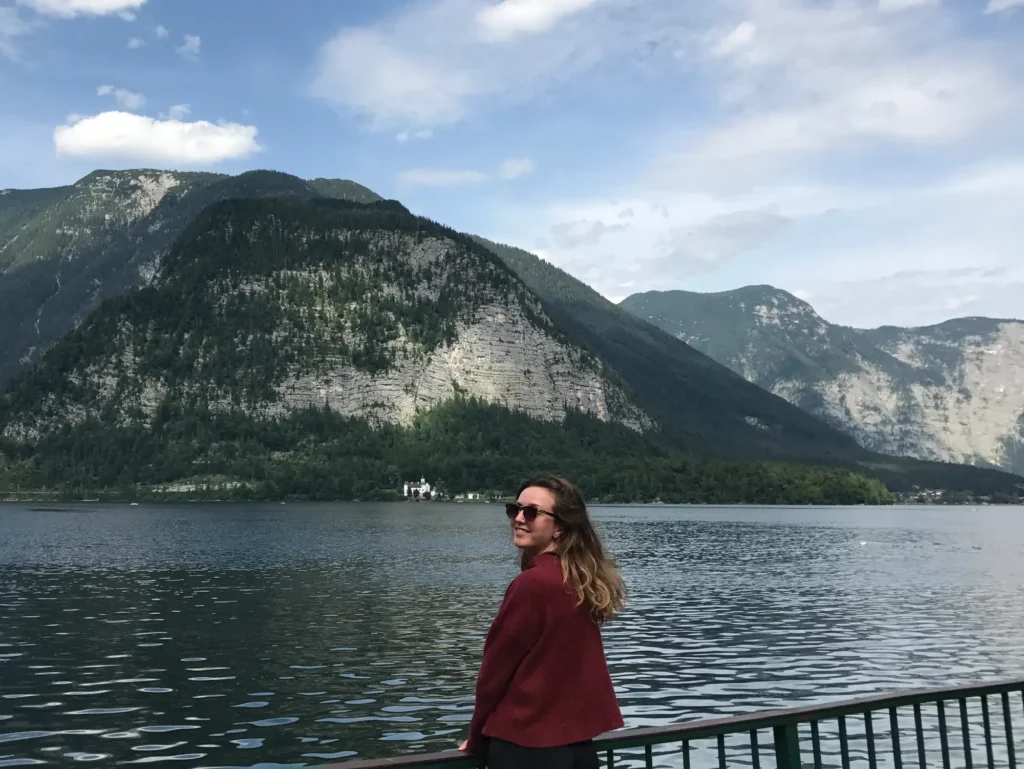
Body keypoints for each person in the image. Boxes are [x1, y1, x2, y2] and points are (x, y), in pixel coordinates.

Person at [458, 474, 627, 769]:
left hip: (526, 747)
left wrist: (476, 738)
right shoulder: (580, 580)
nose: (519, 518)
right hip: (577, 747)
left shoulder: (533, 584)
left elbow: (493, 674)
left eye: (532, 512)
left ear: (559, 527)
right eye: (515, 509)